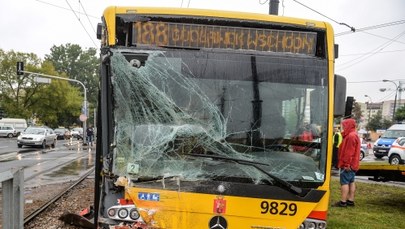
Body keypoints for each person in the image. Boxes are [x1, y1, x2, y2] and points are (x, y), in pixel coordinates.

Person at [335, 118, 360, 207]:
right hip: (353, 164)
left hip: (348, 165)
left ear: (348, 126)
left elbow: (349, 152)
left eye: (344, 126)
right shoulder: (354, 135)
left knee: (344, 182)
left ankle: (343, 202)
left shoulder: (350, 136)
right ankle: (350, 200)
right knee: (351, 181)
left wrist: (346, 164)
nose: (343, 128)